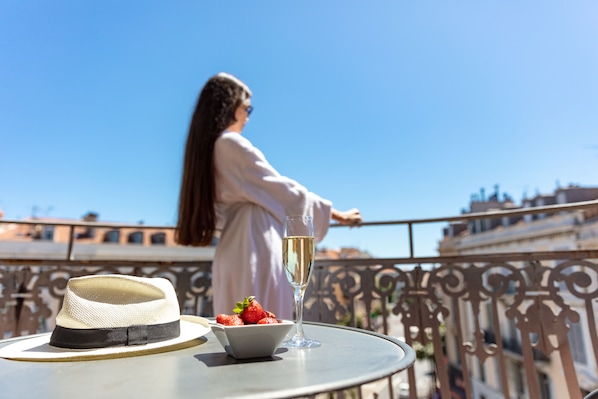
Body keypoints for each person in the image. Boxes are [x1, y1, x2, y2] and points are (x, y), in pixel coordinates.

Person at [176, 72, 362, 319]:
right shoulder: (231, 144)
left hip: (232, 249)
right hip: (255, 248)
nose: (247, 118)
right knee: (266, 331)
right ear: (230, 107)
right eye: (247, 109)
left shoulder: (205, 152)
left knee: (239, 335)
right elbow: (280, 190)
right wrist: (336, 214)